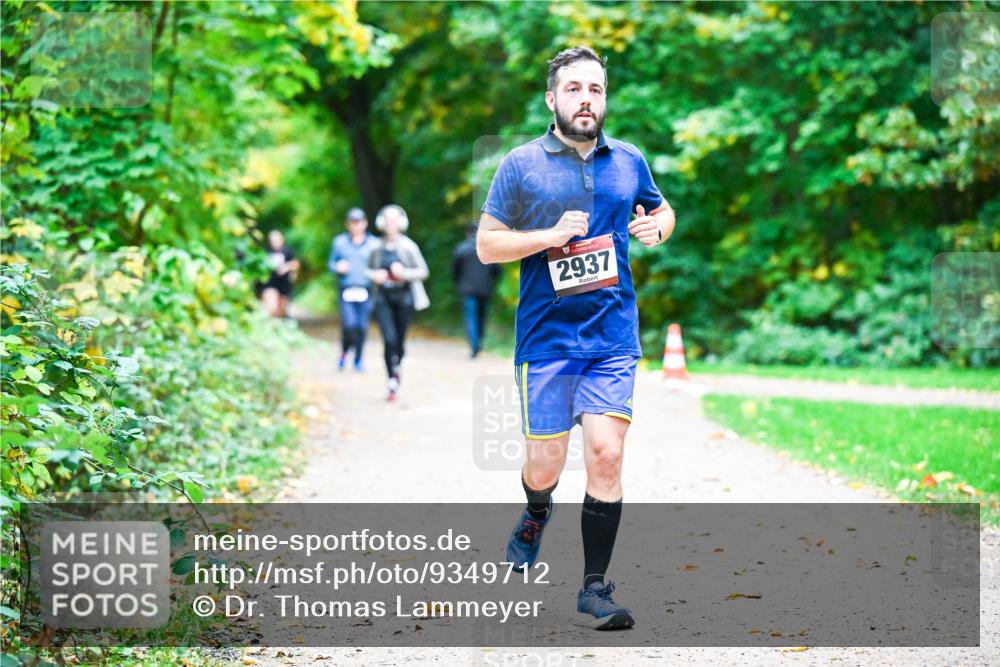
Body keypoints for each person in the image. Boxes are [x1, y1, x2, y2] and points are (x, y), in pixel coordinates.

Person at [477, 46, 676, 630]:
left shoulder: (628, 160)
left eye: (595, 89)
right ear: (552, 98)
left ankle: (595, 587)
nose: (586, 99)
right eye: (574, 89)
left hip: (612, 335)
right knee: (546, 465)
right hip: (545, 340)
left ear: (604, 97)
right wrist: (546, 237)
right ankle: (537, 509)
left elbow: (664, 212)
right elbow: (489, 245)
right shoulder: (520, 164)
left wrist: (656, 228)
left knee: (607, 455)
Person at [366, 204, 430, 402]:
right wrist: (374, 275)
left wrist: (403, 273)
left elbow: (423, 271)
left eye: (393, 219)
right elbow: (366, 270)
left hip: (404, 300)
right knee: (389, 340)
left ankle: (397, 367)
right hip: (383, 299)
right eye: (386, 219)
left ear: (401, 223)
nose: (390, 223)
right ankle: (391, 382)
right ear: (381, 223)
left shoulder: (409, 246)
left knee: (400, 342)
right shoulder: (376, 247)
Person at [329, 207, 378, 372]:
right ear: (347, 224)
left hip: (366, 290)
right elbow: (330, 264)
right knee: (349, 325)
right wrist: (338, 267)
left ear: (365, 223)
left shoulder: (374, 244)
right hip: (346, 290)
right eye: (352, 222)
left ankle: (358, 359)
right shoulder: (339, 243)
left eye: (359, 222)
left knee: (362, 326)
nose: (356, 226)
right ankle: (344, 352)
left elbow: (379, 265)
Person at [452, 221, 501, 358]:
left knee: (471, 318)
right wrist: (491, 282)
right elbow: (497, 270)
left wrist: (458, 284)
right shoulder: (489, 250)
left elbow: (455, 271)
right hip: (485, 289)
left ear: (467, 232)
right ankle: (478, 343)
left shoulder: (461, 249)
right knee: (481, 317)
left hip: (466, 289)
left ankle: (474, 346)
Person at [261, 230, 299, 319]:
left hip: (283, 283)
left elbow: (295, 264)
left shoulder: (287, 251)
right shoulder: (266, 252)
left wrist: (287, 268)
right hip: (270, 282)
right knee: (271, 308)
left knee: (281, 311)